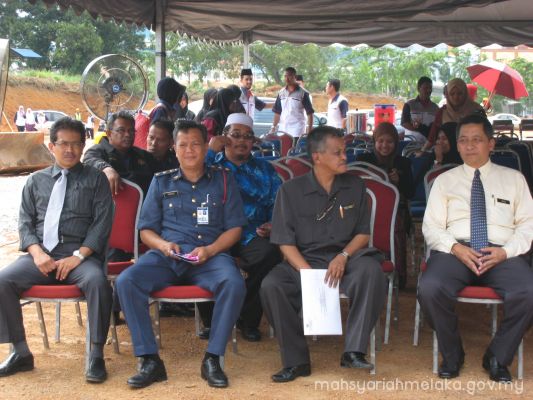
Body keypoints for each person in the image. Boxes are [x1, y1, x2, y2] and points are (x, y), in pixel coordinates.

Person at [115, 120, 247, 389]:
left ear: (206, 147)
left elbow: (235, 229)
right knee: (126, 281)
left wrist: (211, 250)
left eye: (195, 144)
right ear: (174, 149)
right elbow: (145, 231)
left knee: (234, 283)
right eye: (183, 145)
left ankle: (213, 359)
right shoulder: (161, 181)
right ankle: (149, 360)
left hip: (209, 256)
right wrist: (163, 245)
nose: (189, 150)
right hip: (168, 255)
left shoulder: (223, 179)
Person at [261, 125, 387, 383]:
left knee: (371, 272)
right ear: (317, 156)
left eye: (344, 151)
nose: (345, 157)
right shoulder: (290, 191)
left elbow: (363, 234)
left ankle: (353, 351)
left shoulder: (355, 186)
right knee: (271, 285)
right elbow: (284, 242)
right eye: (337, 152)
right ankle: (296, 361)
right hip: (305, 261)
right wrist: (309, 275)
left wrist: (343, 256)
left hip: (346, 260)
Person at [418, 114, 533, 382]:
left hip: (501, 253)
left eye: (477, 140)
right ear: (456, 145)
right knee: (430, 288)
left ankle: (497, 356)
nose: (469, 146)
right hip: (456, 252)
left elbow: (528, 226)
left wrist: (506, 251)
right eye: (463, 140)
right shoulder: (444, 181)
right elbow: (431, 227)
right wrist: (455, 248)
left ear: (491, 144)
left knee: (529, 292)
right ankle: (452, 353)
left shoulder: (514, 179)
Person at [0, 117, 113, 383]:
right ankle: (20, 352)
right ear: (51, 146)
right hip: (41, 255)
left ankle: (95, 355)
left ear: (83, 146)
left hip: (80, 256)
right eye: (63, 143)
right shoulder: (35, 181)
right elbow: (25, 223)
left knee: (98, 282)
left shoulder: (96, 180)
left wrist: (78, 256)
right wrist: (37, 253)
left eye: (76, 144)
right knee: (3, 280)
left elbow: (102, 224)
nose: (70, 150)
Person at [199, 113, 283, 341]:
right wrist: (210, 150)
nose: (242, 141)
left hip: (251, 234)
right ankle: (211, 320)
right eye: (236, 135)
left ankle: (247, 319)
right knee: (201, 252)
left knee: (270, 253)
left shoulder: (265, 170)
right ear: (224, 137)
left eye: (248, 136)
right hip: (215, 233)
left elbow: (279, 204)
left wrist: (273, 224)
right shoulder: (211, 166)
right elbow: (191, 181)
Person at [358, 122, 415, 288]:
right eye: (380, 141)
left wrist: (398, 182)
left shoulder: (403, 163)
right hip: (367, 210)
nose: (385, 145)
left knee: (396, 224)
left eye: (389, 141)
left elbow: (410, 193)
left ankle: (397, 276)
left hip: (395, 211)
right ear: (374, 141)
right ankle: (366, 273)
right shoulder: (364, 160)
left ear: (396, 143)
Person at [83, 110, 158, 195]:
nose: (127, 135)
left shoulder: (143, 155)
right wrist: (106, 169)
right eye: (121, 130)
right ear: (109, 133)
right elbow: (89, 160)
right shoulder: (98, 150)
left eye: (131, 131)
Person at [419, 78, 485, 153]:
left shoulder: (477, 111)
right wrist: (422, 151)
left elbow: (485, 135)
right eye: (452, 94)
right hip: (447, 157)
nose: (456, 97)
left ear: (465, 93)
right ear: (447, 95)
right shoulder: (442, 112)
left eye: (459, 93)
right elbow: (432, 136)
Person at [272, 67, 314, 138]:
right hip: (283, 129)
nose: (287, 78)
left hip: (297, 129)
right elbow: (277, 112)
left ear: (295, 77)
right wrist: (273, 127)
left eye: (289, 76)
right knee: (283, 145)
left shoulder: (303, 93)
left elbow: (310, 113)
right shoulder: (281, 93)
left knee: (295, 145)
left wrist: (309, 131)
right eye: (285, 76)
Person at [401, 76, 439, 143]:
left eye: (430, 88)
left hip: (429, 144)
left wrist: (423, 129)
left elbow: (437, 126)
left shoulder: (436, 108)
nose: (429, 90)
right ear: (418, 88)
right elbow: (404, 123)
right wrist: (421, 129)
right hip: (411, 143)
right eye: (426, 88)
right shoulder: (409, 105)